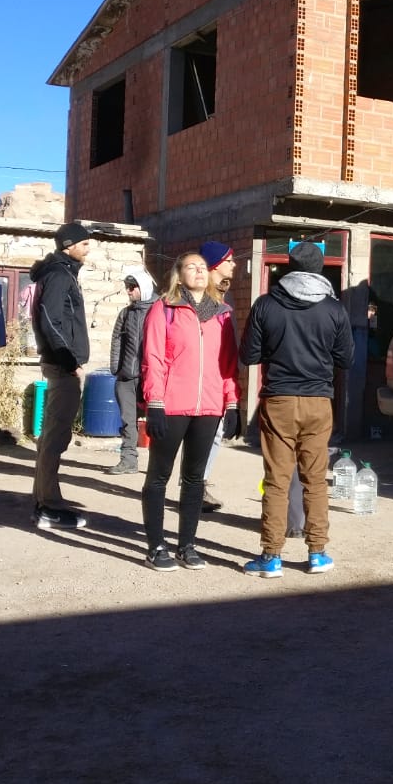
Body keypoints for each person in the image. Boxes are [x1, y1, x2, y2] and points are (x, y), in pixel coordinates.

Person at [239, 241, 354, 578]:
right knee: (315, 479)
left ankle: (271, 557)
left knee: (277, 480)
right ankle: (318, 553)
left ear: (289, 267)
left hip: (279, 401)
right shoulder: (334, 309)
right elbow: (346, 359)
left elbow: (249, 355)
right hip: (318, 401)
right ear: (320, 268)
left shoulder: (266, 304)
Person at [139, 251, 240, 571]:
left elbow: (229, 363)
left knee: (195, 479)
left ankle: (187, 545)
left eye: (202, 267)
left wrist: (232, 402)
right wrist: (155, 402)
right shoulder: (164, 309)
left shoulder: (222, 314)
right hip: (170, 406)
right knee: (159, 476)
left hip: (208, 407)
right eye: (191, 267)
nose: (198, 271)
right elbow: (153, 358)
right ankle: (156, 547)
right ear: (178, 274)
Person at [30, 222, 95, 531]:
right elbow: (50, 319)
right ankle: (49, 508)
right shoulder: (58, 275)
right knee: (55, 438)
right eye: (84, 244)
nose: (88, 249)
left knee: (52, 437)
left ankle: (44, 502)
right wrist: (69, 360)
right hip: (62, 365)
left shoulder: (64, 272)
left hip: (62, 364)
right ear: (69, 246)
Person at [196, 240, 241, 511]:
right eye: (229, 260)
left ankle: (198, 485)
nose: (234, 264)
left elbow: (227, 348)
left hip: (218, 379)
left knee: (214, 435)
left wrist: (231, 395)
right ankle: (191, 487)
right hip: (194, 382)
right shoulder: (197, 297)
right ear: (214, 265)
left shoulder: (224, 297)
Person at [105, 273, 153, 476]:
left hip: (151, 377)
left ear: (144, 287)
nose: (128, 291)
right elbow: (117, 340)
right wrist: (116, 368)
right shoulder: (125, 314)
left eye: (132, 287)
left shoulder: (159, 311)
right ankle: (128, 460)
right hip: (126, 375)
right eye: (127, 286)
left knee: (156, 421)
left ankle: (157, 466)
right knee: (127, 420)